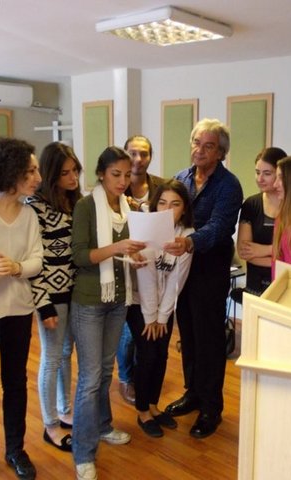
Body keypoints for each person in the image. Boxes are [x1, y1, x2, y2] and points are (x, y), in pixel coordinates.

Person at [70, 146, 146, 480]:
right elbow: (79, 256)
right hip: (89, 300)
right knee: (89, 379)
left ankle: (102, 426)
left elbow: (127, 253)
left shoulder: (129, 208)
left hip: (118, 299)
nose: (122, 181)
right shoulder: (86, 206)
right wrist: (117, 248)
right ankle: (83, 453)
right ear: (101, 174)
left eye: (127, 175)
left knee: (104, 371)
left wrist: (135, 257)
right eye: (116, 174)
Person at [165, 118, 243, 439]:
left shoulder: (229, 185)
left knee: (209, 339)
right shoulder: (180, 178)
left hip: (210, 271)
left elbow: (220, 227)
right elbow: (168, 214)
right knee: (188, 333)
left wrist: (190, 241)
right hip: (181, 268)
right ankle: (193, 392)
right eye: (197, 143)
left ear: (221, 152)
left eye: (208, 146)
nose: (200, 150)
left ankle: (212, 407)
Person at [0, 138, 44, 480]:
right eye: (30, 171)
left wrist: (17, 267)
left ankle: (15, 449)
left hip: (18, 310)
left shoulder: (29, 214)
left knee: (16, 383)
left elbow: (37, 260)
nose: (37, 178)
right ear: (11, 171)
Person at [26, 142, 82, 452]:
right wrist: (43, 303)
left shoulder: (75, 202)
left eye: (75, 171)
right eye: (65, 173)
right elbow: (34, 260)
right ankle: (50, 424)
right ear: (50, 175)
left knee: (65, 354)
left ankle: (65, 409)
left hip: (75, 292)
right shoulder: (34, 207)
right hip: (51, 294)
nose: (73, 178)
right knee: (51, 357)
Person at [130, 180, 194, 438]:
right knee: (147, 355)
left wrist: (163, 317)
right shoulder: (145, 229)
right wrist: (151, 318)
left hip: (164, 307)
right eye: (163, 203)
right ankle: (142, 411)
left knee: (161, 355)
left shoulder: (187, 235)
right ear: (155, 205)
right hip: (139, 304)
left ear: (184, 208)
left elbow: (177, 280)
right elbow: (145, 277)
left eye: (175, 204)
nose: (168, 209)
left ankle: (154, 406)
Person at [116, 135, 165, 406]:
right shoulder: (116, 188)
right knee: (127, 332)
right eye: (132, 153)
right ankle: (126, 377)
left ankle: (141, 376)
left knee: (146, 329)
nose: (138, 159)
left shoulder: (160, 186)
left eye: (144, 153)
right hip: (124, 266)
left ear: (150, 157)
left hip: (152, 266)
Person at [236, 147, 287, 298]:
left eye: (267, 173)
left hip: (286, 285)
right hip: (255, 285)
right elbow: (244, 252)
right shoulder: (251, 204)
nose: (260, 179)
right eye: (257, 172)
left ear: (281, 174)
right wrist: (279, 257)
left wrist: (264, 250)